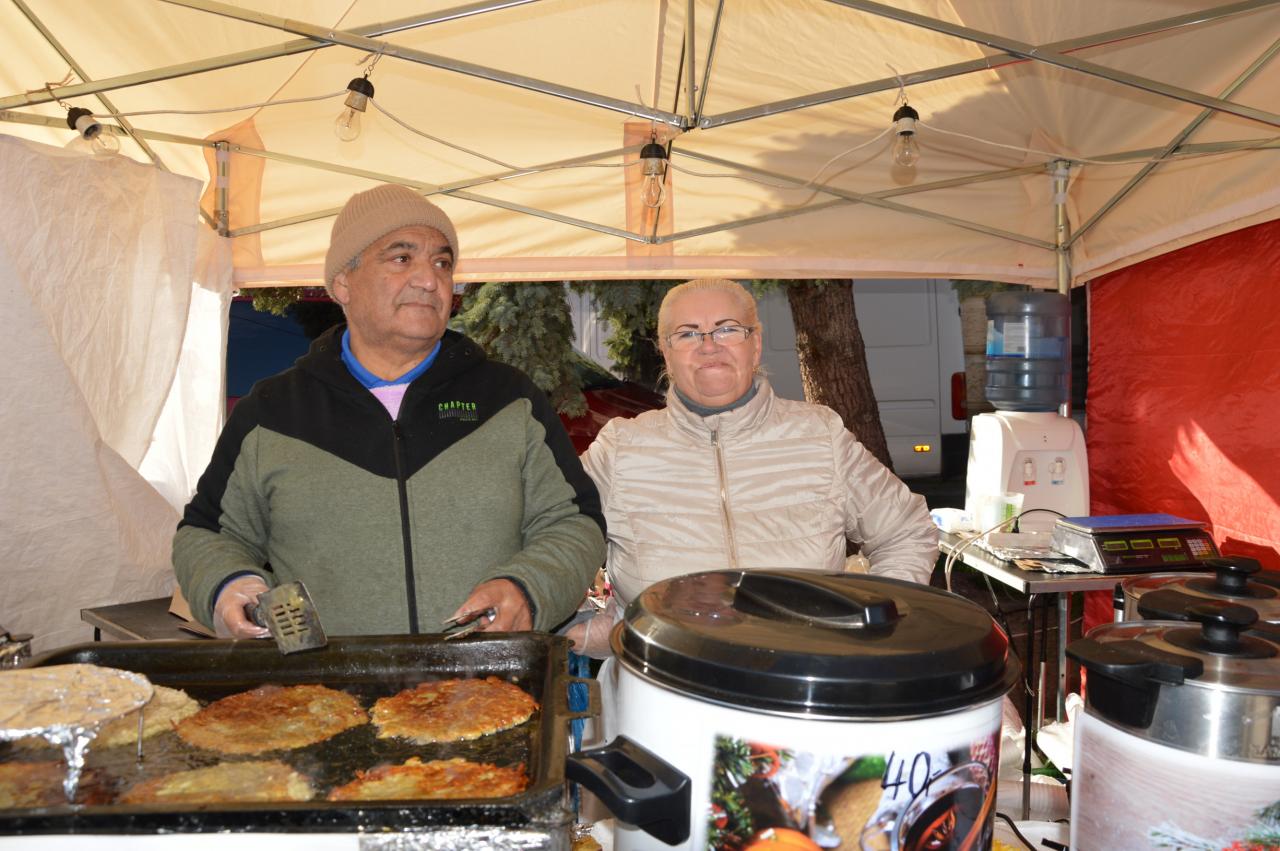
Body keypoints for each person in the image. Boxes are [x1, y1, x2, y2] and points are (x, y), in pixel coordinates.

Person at [174, 183, 606, 638]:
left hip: (491, 679)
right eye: (401, 258)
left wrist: (528, 588)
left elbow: (574, 522)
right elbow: (207, 535)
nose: (430, 279)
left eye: (442, 263)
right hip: (325, 683)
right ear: (343, 283)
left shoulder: (510, 400)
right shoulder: (272, 413)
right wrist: (230, 586)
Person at [570, 278, 937, 656]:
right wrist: (597, 628)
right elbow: (555, 534)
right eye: (688, 333)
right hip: (662, 676)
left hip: (803, 673)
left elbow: (906, 530)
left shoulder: (818, 435)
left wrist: (872, 624)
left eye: (728, 329)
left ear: (755, 344)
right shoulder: (621, 448)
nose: (709, 346)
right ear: (666, 352)